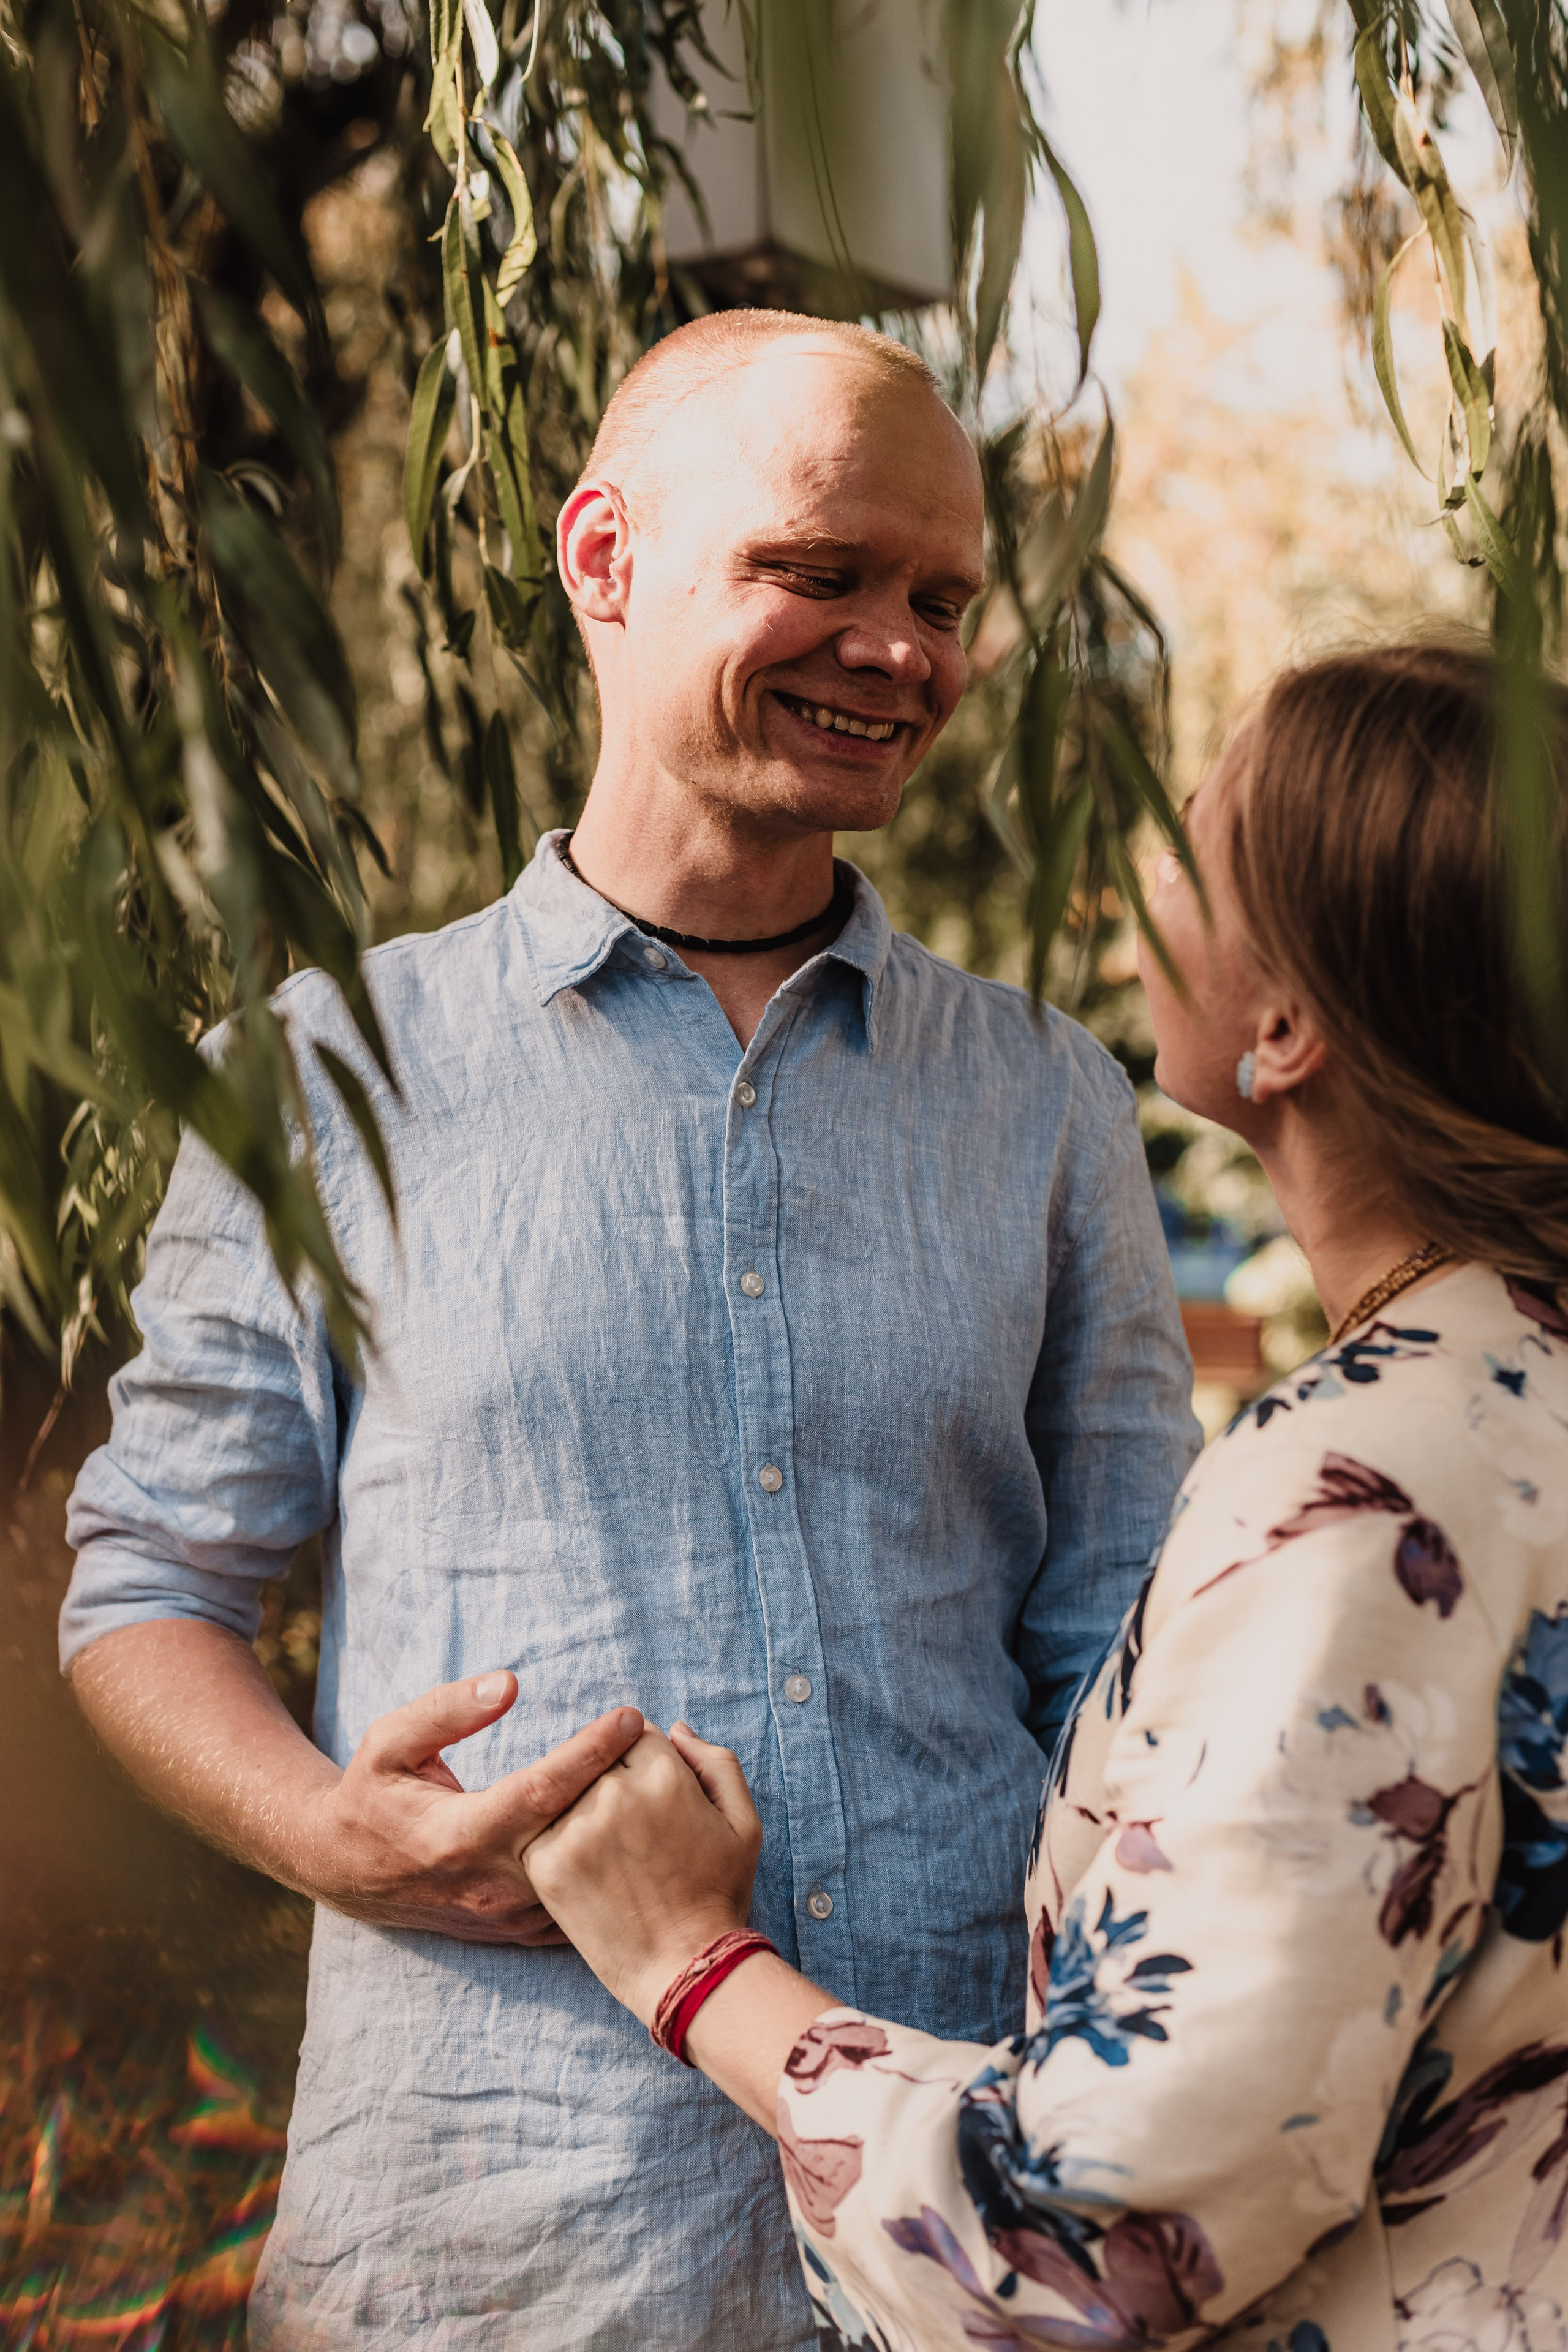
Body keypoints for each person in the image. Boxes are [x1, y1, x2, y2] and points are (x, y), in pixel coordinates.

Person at [58, 311, 1199, 2349]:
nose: (903, 649)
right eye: (823, 572)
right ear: (606, 559)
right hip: (496, 2236)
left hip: (955, 2230)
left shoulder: (1049, 1104)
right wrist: (330, 1829)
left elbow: (1127, 1661)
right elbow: (146, 1586)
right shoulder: (315, 1085)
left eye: (941, 597)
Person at [525, 639, 1568, 2351]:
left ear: (1290, 1022)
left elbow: (1094, 2241)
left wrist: (687, 1963)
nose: (1138, 867)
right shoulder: (1522, 1388)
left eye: (1194, 840)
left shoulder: (1366, 1502)